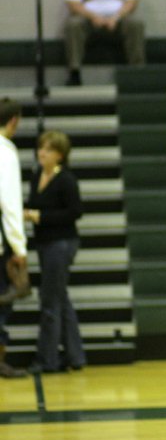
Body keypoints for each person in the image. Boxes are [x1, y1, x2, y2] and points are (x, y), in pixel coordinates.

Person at [23, 131, 86, 374]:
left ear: (59, 155)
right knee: (61, 299)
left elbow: (75, 212)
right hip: (45, 243)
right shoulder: (38, 174)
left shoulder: (66, 180)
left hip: (61, 244)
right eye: (40, 148)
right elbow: (34, 203)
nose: (41, 153)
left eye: (47, 149)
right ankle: (75, 355)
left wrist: (41, 216)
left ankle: (46, 360)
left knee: (50, 302)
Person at [0, 99, 28, 378]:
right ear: (14, 121)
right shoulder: (5, 153)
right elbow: (9, 204)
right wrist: (19, 247)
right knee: (2, 302)